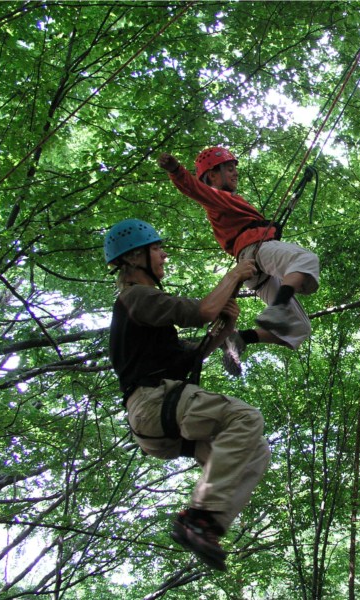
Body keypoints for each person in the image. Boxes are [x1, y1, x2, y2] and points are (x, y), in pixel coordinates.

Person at [104, 218, 270, 571]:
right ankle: (199, 516)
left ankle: (206, 527)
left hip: (156, 426)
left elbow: (188, 354)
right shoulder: (136, 297)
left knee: (256, 451)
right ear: (135, 258)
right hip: (153, 403)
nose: (163, 255)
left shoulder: (146, 313)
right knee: (245, 417)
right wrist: (235, 275)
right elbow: (201, 311)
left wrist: (223, 329)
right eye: (156, 249)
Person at [157, 147, 320, 377]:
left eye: (235, 169)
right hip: (255, 251)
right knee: (305, 258)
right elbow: (194, 189)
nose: (235, 174)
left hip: (254, 269)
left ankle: (241, 338)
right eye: (229, 169)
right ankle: (279, 308)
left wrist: (270, 228)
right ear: (212, 175)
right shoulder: (217, 199)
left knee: (300, 328)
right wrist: (176, 170)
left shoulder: (231, 202)